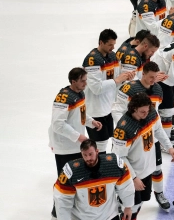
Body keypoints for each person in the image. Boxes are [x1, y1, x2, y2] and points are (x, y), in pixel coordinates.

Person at [112, 61, 174, 212]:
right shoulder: (129, 88)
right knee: (126, 167)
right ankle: (123, 198)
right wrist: (130, 126)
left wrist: (169, 146)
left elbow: (157, 123)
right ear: (143, 74)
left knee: (156, 168)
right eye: (150, 77)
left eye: (155, 77)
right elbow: (117, 110)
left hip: (150, 136)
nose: (153, 80)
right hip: (133, 136)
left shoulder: (158, 89)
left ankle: (159, 194)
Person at [49, 67, 103, 219]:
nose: (86, 83)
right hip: (65, 147)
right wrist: (79, 136)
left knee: (76, 176)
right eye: (83, 81)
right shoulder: (63, 98)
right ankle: (57, 209)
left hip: (75, 144)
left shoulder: (80, 93)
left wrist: (92, 122)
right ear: (74, 82)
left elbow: (81, 114)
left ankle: (73, 205)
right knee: (64, 179)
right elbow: (57, 124)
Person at [53, 139, 135, 220]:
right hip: (81, 217)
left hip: (109, 216)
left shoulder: (113, 165)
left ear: (97, 151)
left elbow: (126, 186)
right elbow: (62, 199)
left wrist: (128, 207)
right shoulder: (71, 171)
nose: (88, 158)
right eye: (85, 155)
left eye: (90, 154)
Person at [82, 29, 135, 153]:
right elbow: (96, 88)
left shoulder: (112, 56)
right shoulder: (92, 60)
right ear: (101, 42)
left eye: (114, 44)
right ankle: (99, 169)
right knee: (99, 145)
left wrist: (126, 77)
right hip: (95, 110)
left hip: (108, 107)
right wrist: (117, 80)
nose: (113, 47)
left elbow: (116, 78)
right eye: (110, 44)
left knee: (107, 140)